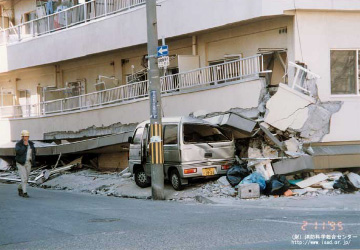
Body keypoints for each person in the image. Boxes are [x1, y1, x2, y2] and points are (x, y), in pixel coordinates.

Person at [15, 130, 36, 198]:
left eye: (27, 136)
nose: (26, 138)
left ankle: (20, 187)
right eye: (25, 136)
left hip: (28, 163)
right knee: (24, 178)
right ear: (22, 137)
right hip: (21, 163)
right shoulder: (18, 144)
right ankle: (24, 192)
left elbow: (33, 153)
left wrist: (33, 160)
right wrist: (25, 146)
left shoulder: (31, 144)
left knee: (26, 179)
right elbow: (19, 152)